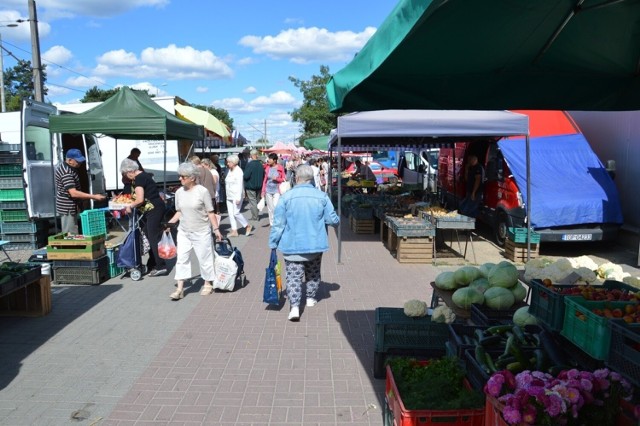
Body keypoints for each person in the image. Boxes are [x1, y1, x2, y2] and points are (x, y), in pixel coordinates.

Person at [269, 164, 340, 321]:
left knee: (293, 277)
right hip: (315, 244)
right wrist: (337, 219)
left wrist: (273, 243)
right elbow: (332, 219)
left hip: (292, 245)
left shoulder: (286, 197)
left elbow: (278, 223)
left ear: (296, 178)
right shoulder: (321, 196)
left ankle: (294, 307)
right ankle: (309, 298)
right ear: (311, 179)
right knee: (313, 273)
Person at [165, 162, 223, 300]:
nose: (180, 179)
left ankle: (208, 283)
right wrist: (170, 223)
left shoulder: (202, 191)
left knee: (205, 259)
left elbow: (210, 212)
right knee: (182, 259)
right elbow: (179, 211)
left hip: (201, 231)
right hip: (184, 231)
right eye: (180, 176)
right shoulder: (179, 192)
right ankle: (180, 288)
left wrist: (216, 229)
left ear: (192, 177)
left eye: (183, 177)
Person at [120, 158, 168, 277]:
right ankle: (153, 262)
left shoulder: (139, 179)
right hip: (155, 208)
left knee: (152, 236)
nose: (126, 177)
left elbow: (140, 199)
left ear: (129, 171)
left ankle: (160, 265)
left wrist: (130, 206)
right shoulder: (144, 175)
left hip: (154, 209)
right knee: (147, 233)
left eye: (125, 174)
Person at [55, 149, 106, 234]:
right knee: (70, 233)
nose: (80, 163)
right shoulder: (66, 172)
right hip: (67, 207)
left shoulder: (70, 168)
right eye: (78, 161)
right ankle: (71, 246)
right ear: (69, 160)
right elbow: (73, 193)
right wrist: (93, 197)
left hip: (71, 205)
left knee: (74, 229)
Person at [224, 154, 252, 237]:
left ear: (233, 162)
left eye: (229, 162)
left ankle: (247, 225)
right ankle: (234, 230)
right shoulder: (228, 170)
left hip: (236, 195)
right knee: (230, 213)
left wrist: (239, 197)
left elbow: (240, 185)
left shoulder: (239, 171)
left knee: (236, 213)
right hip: (229, 195)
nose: (227, 163)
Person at [261, 153, 286, 226]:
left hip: (277, 190)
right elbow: (265, 180)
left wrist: (277, 179)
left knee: (276, 206)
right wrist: (263, 191)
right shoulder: (267, 168)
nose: (268, 160)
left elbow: (284, 179)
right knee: (270, 208)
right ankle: (272, 223)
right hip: (268, 190)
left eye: (270, 159)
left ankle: (277, 221)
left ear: (274, 160)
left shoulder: (280, 167)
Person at [459, 153, 484, 218]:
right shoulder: (471, 167)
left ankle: (469, 221)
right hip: (469, 191)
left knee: (468, 208)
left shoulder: (478, 167)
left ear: (474, 160)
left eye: (470, 160)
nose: (469, 162)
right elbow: (467, 179)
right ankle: (474, 220)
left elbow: (478, 180)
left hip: (476, 192)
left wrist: (474, 192)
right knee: (464, 205)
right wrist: (466, 170)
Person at [243, 149, 265, 222]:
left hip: (251, 186)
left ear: (251, 155)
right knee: (256, 201)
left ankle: (255, 217)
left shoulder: (250, 164)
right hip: (259, 186)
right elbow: (263, 175)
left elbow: (246, 176)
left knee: (253, 202)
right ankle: (256, 215)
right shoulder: (260, 164)